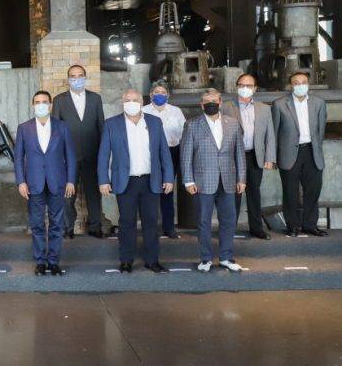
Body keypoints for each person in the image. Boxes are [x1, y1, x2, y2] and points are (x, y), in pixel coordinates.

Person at [99, 89, 174, 274]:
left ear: (142, 102)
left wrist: (168, 177)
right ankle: (126, 261)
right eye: (127, 99)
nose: (131, 102)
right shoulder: (111, 124)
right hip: (125, 182)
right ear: (122, 102)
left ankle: (152, 260)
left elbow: (164, 151)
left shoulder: (154, 122)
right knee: (126, 222)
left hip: (151, 180)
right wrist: (103, 180)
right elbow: (103, 155)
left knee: (151, 222)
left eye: (134, 100)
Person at [181, 88, 246, 272]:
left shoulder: (232, 123)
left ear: (220, 102)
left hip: (228, 180)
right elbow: (186, 155)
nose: (211, 104)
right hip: (203, 182)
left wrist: (241, 179)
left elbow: (239, 153)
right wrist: (188, 181)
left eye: (214, 101)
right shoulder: (192, 125)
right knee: (204, 222)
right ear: (201, 105)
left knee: (229, 220)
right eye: (207, 101)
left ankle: (226, 257)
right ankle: (205, 259)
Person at [14, 90, 76, 276]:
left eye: (44, 102)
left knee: (57, 224)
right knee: (37, 224)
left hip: (58, 181)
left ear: (50, 105)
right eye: (37, 102)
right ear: (33, 105)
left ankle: (54, 262)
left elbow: (70, 156)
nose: (41, 105)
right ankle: (40, 262)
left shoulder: (62, 127)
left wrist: (71, 180)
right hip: (33, 183)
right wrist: (21, 182)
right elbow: (18, 158)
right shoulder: (24, 128)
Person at [272, 72, 328, 237]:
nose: (300, 85)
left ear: (308, 84)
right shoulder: (279, 104)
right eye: (296, 83)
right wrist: (273, 157)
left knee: (313, 190)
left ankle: (310, 225)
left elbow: (321, 130)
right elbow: (274, 133)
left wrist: (316, 148)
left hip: (312, 152)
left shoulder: (319, 103)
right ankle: (293, 226)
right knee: (290, 191)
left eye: (303, 82)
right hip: (289, 153)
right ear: (291, 85)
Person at [52, 65, 105, 238]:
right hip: (68, 159)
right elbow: (55, 131)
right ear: (68, 79)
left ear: (85, 77)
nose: (77, 79)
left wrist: (103, 155)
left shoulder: (95, 99)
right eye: (73, 76)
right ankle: (67, 228)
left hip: (92, 155)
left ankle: (95, 227)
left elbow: (101, 127)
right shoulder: (59, 100)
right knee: (67, 196)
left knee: (94, 194)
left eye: (80, 75)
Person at [222, 74, 276, 240]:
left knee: (254, 193)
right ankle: (229, 229)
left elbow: (270, 135)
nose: (245, 88)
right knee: (233, 193)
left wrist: (270, 158)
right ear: (237, 86)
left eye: (249, 85)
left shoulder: (264, 109)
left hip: (254, 156)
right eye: (242, 85)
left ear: (255, 88)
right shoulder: (226, 107)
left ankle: (256, 228)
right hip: (232, 157)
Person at [142, 82, 185, 238]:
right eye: (156, 92)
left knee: (167, 190)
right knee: (150, 190)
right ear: (151, 95)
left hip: (172, 152)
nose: (159, 94)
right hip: (150, 154)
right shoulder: (143, 111)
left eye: (163, 92)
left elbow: (184, 132)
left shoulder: (176, 111)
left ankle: (169, 227)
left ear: (168, 95)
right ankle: (150, 228)